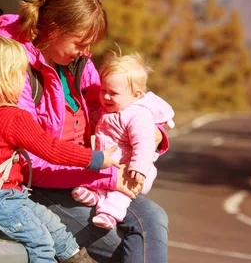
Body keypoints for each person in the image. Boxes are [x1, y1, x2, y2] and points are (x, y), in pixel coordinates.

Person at [0, 0, 169, 263]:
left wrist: (152, 133)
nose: (86, 52)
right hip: (41, 185)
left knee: (154, 218)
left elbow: (119, 108)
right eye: (80, 43)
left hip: (88, 178)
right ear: (54, 29)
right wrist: (109, 175)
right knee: (125, 250)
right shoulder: (15, 68)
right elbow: (32, 161)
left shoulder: (78, 65)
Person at [0, 35, 120, 263]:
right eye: (20, 74)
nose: (24, 81)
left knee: (58, 232)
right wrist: (95, 159)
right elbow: (51, 150)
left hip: (8, 196)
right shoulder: (14, 117)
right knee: (41, 242)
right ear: (5, 78)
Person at [71, 51, 174, 230]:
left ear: (136, 95)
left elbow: (145, 143)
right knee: (101, 176)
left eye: (113, 93)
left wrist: (138, 167)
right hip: (113, 164)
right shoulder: (110, 110)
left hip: (132, 171)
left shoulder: (137, 115)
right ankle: (96, 196)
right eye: (103, 90)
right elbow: (97, 121)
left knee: (121, 192)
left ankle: (110, 214)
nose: (106, 97)